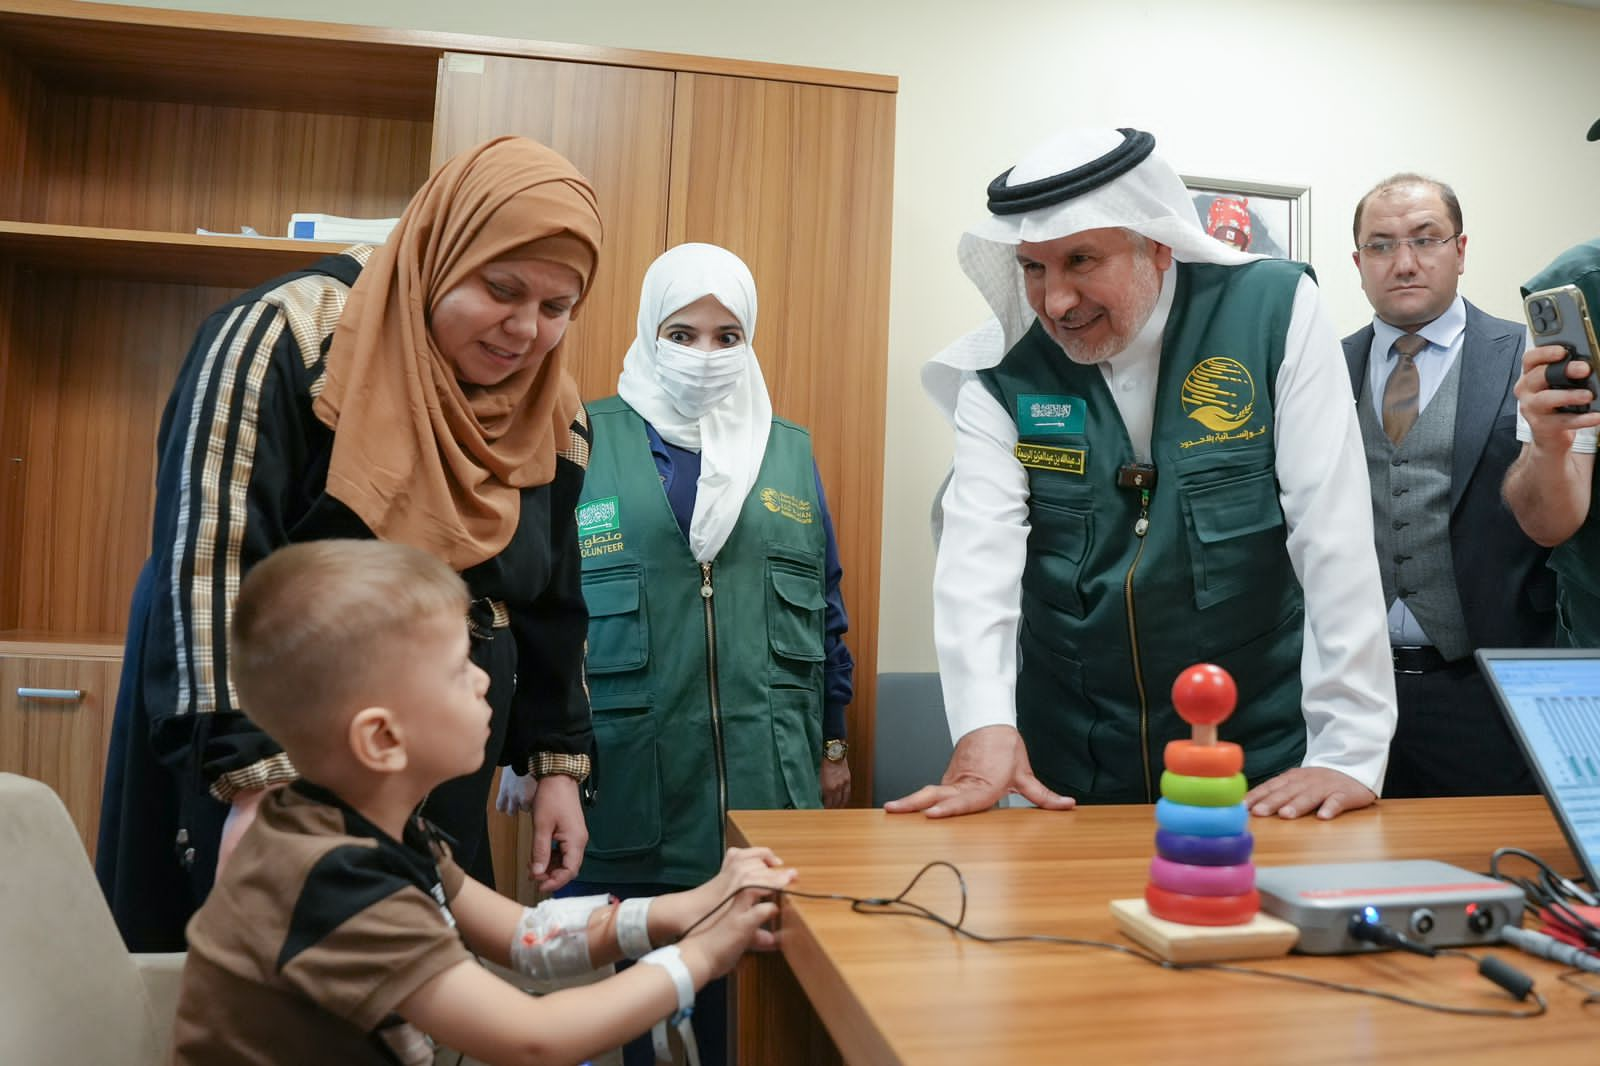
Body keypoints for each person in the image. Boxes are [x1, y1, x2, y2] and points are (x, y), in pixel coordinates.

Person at [96, 136, 599, 952]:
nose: (525, 330)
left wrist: (556, 768)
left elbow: (549, 602)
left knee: (414, 971)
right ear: (438, 253)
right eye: (500, 289)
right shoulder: (284, 341)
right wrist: (255, 784)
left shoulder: (553, 407)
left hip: (435, 760)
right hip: (262, 748)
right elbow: (212, 566)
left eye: (557, 307)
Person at [889, 127, 1396, 822]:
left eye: (1080, 260)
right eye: (1033, 269)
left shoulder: (1272, 313)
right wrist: (982, 724)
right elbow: (978, 560)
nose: (1056, 301)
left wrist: (1349, 748)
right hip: (1071, 768)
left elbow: (1331, 534)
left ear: (1158, 243)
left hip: (1257, 770)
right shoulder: (1003, 373)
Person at [170, 539, 793, 1066]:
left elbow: (528, 936)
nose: (485, 678)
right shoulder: (331, 878)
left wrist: (692, 906)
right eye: (457, 668)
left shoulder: (371, 828)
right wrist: (702, 955)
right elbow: (533, 1039)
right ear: (381, 738)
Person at [567, 241, 854, 1065]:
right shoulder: (586, 438)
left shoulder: (789, 452)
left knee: (760, 1021)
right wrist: (535, 751)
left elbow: (825, 614)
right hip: (631, 786)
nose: (704, 354)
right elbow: (549, 613)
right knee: (632, 1022)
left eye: (727, 335)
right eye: (682, 332)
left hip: (772, 784)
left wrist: (834, 743)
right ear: (648, 332)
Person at [1342, 173, 1549, 798]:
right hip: (1355, 695)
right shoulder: (1323, 368)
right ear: (1358, 262)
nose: (1403, 263)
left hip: (1485, 691)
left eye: (1425, 240)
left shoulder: (1527, 357)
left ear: (1460, 251)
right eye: (1380, 246)